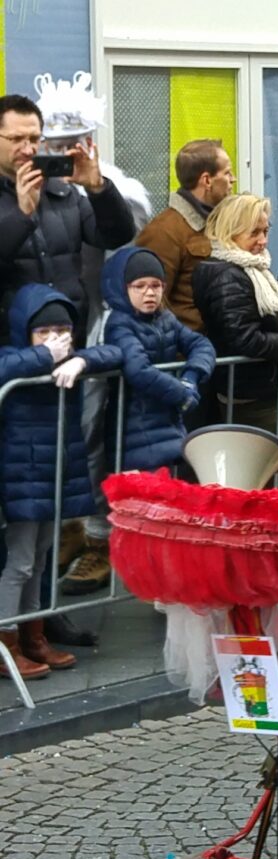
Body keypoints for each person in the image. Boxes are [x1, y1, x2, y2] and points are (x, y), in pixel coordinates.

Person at [0, 285, 120, 680]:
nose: (55, 340)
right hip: (22, 476)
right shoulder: (15, 359)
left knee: (40, 559)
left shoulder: (65, 359)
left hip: (52, 475)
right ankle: (7, 642)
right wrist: (42, 356)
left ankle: (34, 635)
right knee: (18, 562)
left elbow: (115, 353)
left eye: (62, 331)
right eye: (44, 332)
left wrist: (81, 359)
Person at [0, 92, 135, 337]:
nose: (28, 148)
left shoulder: (62, 191)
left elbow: (117, 235)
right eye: (16, 138)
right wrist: (22, 215)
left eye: (34, 138)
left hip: (69, 332)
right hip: (11, 340)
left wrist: (98, 189)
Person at [192, 194, 278, 446]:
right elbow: (245, 338)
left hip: (261, 385)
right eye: (254, 233)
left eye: (265, 231)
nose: (263, 241)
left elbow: (256, 318)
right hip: (250, 389)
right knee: (267, 468)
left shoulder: (249, 269)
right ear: (231, 232)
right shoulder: (228, 275)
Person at [101, 247, 216, 472]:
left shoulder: (166, 319)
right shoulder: (119, 324)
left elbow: (200, 344)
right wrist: (181, 394)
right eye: (139, 286)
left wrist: (191, 378)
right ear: (123, 289)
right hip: (135, 429)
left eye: (155, 285)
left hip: (168, 423)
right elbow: (138, 369)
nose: (149, 293)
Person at [136, 139, 234, 333]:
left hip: (219, 348)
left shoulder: (221, 223)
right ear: (207, 180)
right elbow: (152, 301)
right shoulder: (163, 232)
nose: (234, 179)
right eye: (227, 173)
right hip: (188, 353)